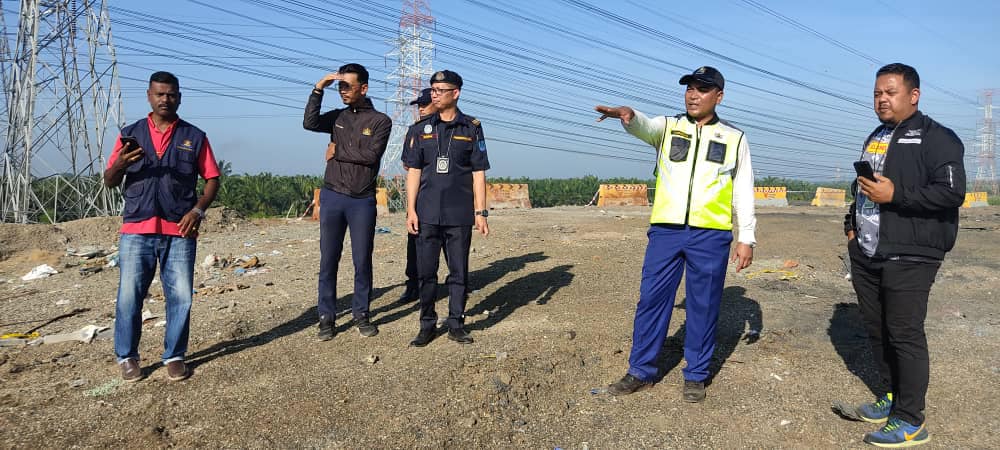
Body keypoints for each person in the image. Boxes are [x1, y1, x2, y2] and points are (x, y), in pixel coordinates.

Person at [594, 66, 756, 403]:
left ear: (719, 96)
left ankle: (696, 374)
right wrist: (629, 115)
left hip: (710, 235)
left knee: (704, 304)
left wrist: (747, 237)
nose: (693, 94)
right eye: (689, 88)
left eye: (702, 89)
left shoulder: (734, 138)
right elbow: (644, 125)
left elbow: (743, 188)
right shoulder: (668, 128)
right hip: (666, 231)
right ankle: (640, 371)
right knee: (651, 299)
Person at [834, 63, 965, 448]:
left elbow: (951, 193)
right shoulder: (875, 136)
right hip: (869, 250)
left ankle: (910, 420)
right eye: (877, 93)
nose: (882, 99)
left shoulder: (938, 138)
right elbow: (861, 186)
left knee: (905, 332)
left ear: (913, 95)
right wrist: (851, 225)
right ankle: (892, 396)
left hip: (912, 252)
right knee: (877, 329)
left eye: (890, 92)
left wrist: (897, 196)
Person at [104, 71, 221, 382]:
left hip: (180, 231)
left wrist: (198, 211)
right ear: (149, 96)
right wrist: (120, 164)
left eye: (171, 94)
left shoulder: (194, 137)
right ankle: (127, 356)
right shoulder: (130, 134)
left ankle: (175, 356)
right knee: (129, 296)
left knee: (181, 295)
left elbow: (212, 179)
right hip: (136, 230)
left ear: (179, 97)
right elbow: (109, 181)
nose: (165, 99)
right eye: (159, 94)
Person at [303, 64, 392, 340]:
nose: (342, 92)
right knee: (328, 259)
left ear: (363, 88)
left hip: (361, 200)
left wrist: (337, 149)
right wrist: (318, 89)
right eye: (340, 87)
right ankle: (326, 317)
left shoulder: (380, 121)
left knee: (361, 260)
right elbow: (310, 123)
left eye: (347, 86)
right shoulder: (338, 117)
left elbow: (371, 156)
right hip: (332, 195)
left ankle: (361, 314)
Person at [404, 70, 490, 347]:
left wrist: (480, 212)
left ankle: (456, 323)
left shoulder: (471, 128)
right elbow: (414, 171)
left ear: (456, 93)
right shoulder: (421, 128)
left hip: (459, 214)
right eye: (433, 89)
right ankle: (427, 324)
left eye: (441, 89)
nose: (434, 94)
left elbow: (478, 173)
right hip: (427, 213)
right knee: (426, 272)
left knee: (459, 272)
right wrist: (410, 210)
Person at [398, 88, 438, 303]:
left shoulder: (452, 128)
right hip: (420, 196)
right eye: (418, 105)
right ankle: (413, 284)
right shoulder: (414, 131)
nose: (421, 108)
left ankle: (458, 283)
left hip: (445, 196)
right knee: (414, 244)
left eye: (424, 104)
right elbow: (407, 163)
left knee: (450, 245)